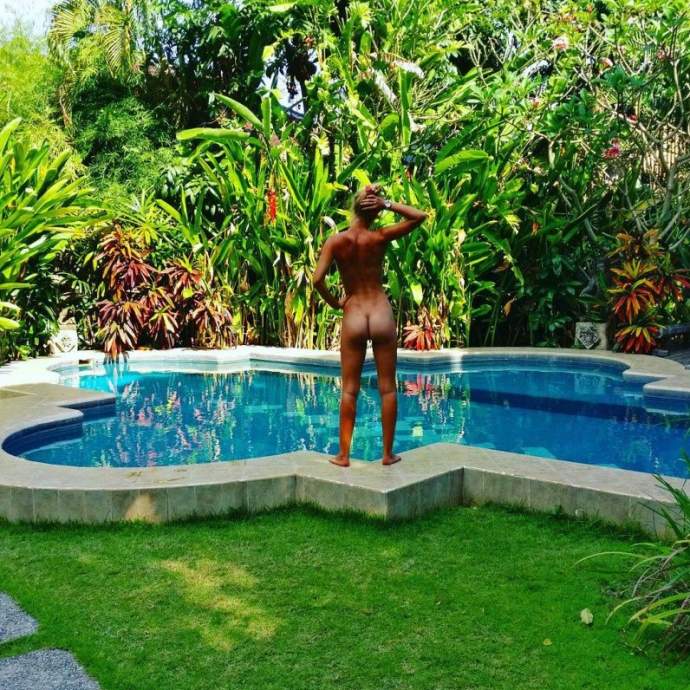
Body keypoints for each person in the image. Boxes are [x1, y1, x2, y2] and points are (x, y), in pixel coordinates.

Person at [313, 184, 428, 467]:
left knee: (349, 389)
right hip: (380, 313)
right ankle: (387, 454)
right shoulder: (380, 237)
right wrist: (387, 203)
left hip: (353, 313)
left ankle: (343, 455)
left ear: (354, 208)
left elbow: (317, 280)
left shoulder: (335, 242)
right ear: (374, 211)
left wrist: (335, 303)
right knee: (387, 388)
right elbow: (419, 216)